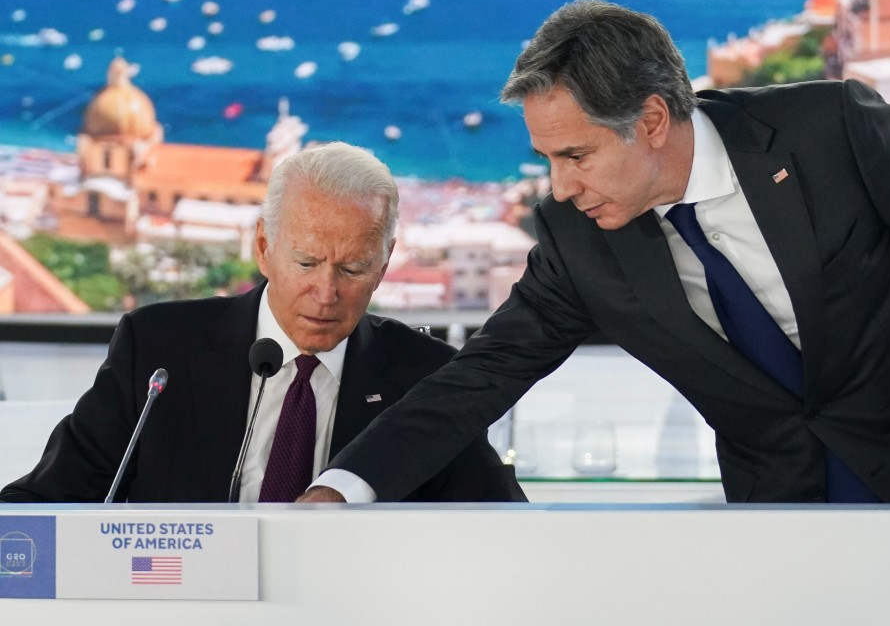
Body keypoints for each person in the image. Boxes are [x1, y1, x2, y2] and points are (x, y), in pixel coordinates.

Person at [300, 0, 890, 506]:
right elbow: (480, 377)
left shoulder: (832, 131)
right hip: (789, 519)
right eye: (547, 158)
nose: (559, 186)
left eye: (576, 155)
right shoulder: (575, 235)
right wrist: (341, 488)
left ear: (649, 120)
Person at [0, 142, 525, 504]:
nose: (326, 292)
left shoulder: (425, 375)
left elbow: (501, 527)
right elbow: (53, 499)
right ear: (263, 247)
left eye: (352, 268)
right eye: (305, 262)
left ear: (384, 264)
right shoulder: (160, 348)